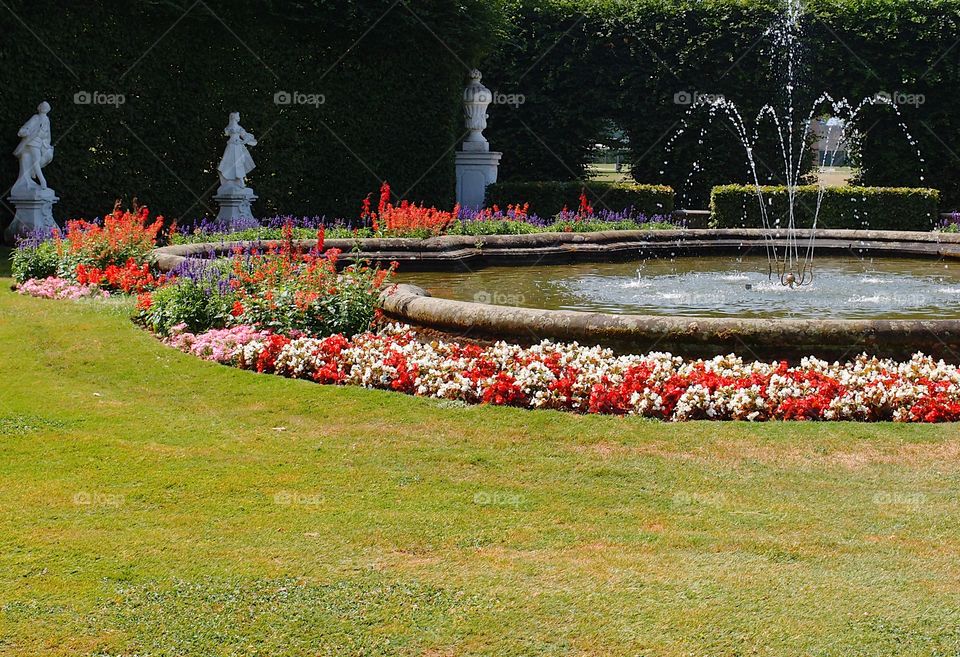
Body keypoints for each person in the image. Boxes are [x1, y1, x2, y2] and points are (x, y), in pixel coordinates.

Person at [13, 101, 54, 195]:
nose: (44, 108)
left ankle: (32, 172)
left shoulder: (47, 119)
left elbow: (48, 134)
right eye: (43, 106)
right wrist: (26, 132)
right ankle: (43, 181)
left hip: (40, 143)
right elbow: (25, 128)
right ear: (39, 108)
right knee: (36, 160)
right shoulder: (36, 117)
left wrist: (46, 144)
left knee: (46, 157)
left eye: (46, 107)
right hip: (32, 142)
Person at [217, 112, 257, 193]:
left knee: (238, 163)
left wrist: (242, 142)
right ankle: (229, 181)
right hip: (231, 147)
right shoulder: (229, 127)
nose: (238, 118)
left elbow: (245, 136)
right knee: (227, 162)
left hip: (237, 147)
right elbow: (226, 133)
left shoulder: (239, 128)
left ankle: (240, 181)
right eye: (237, 116)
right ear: (233, 117)